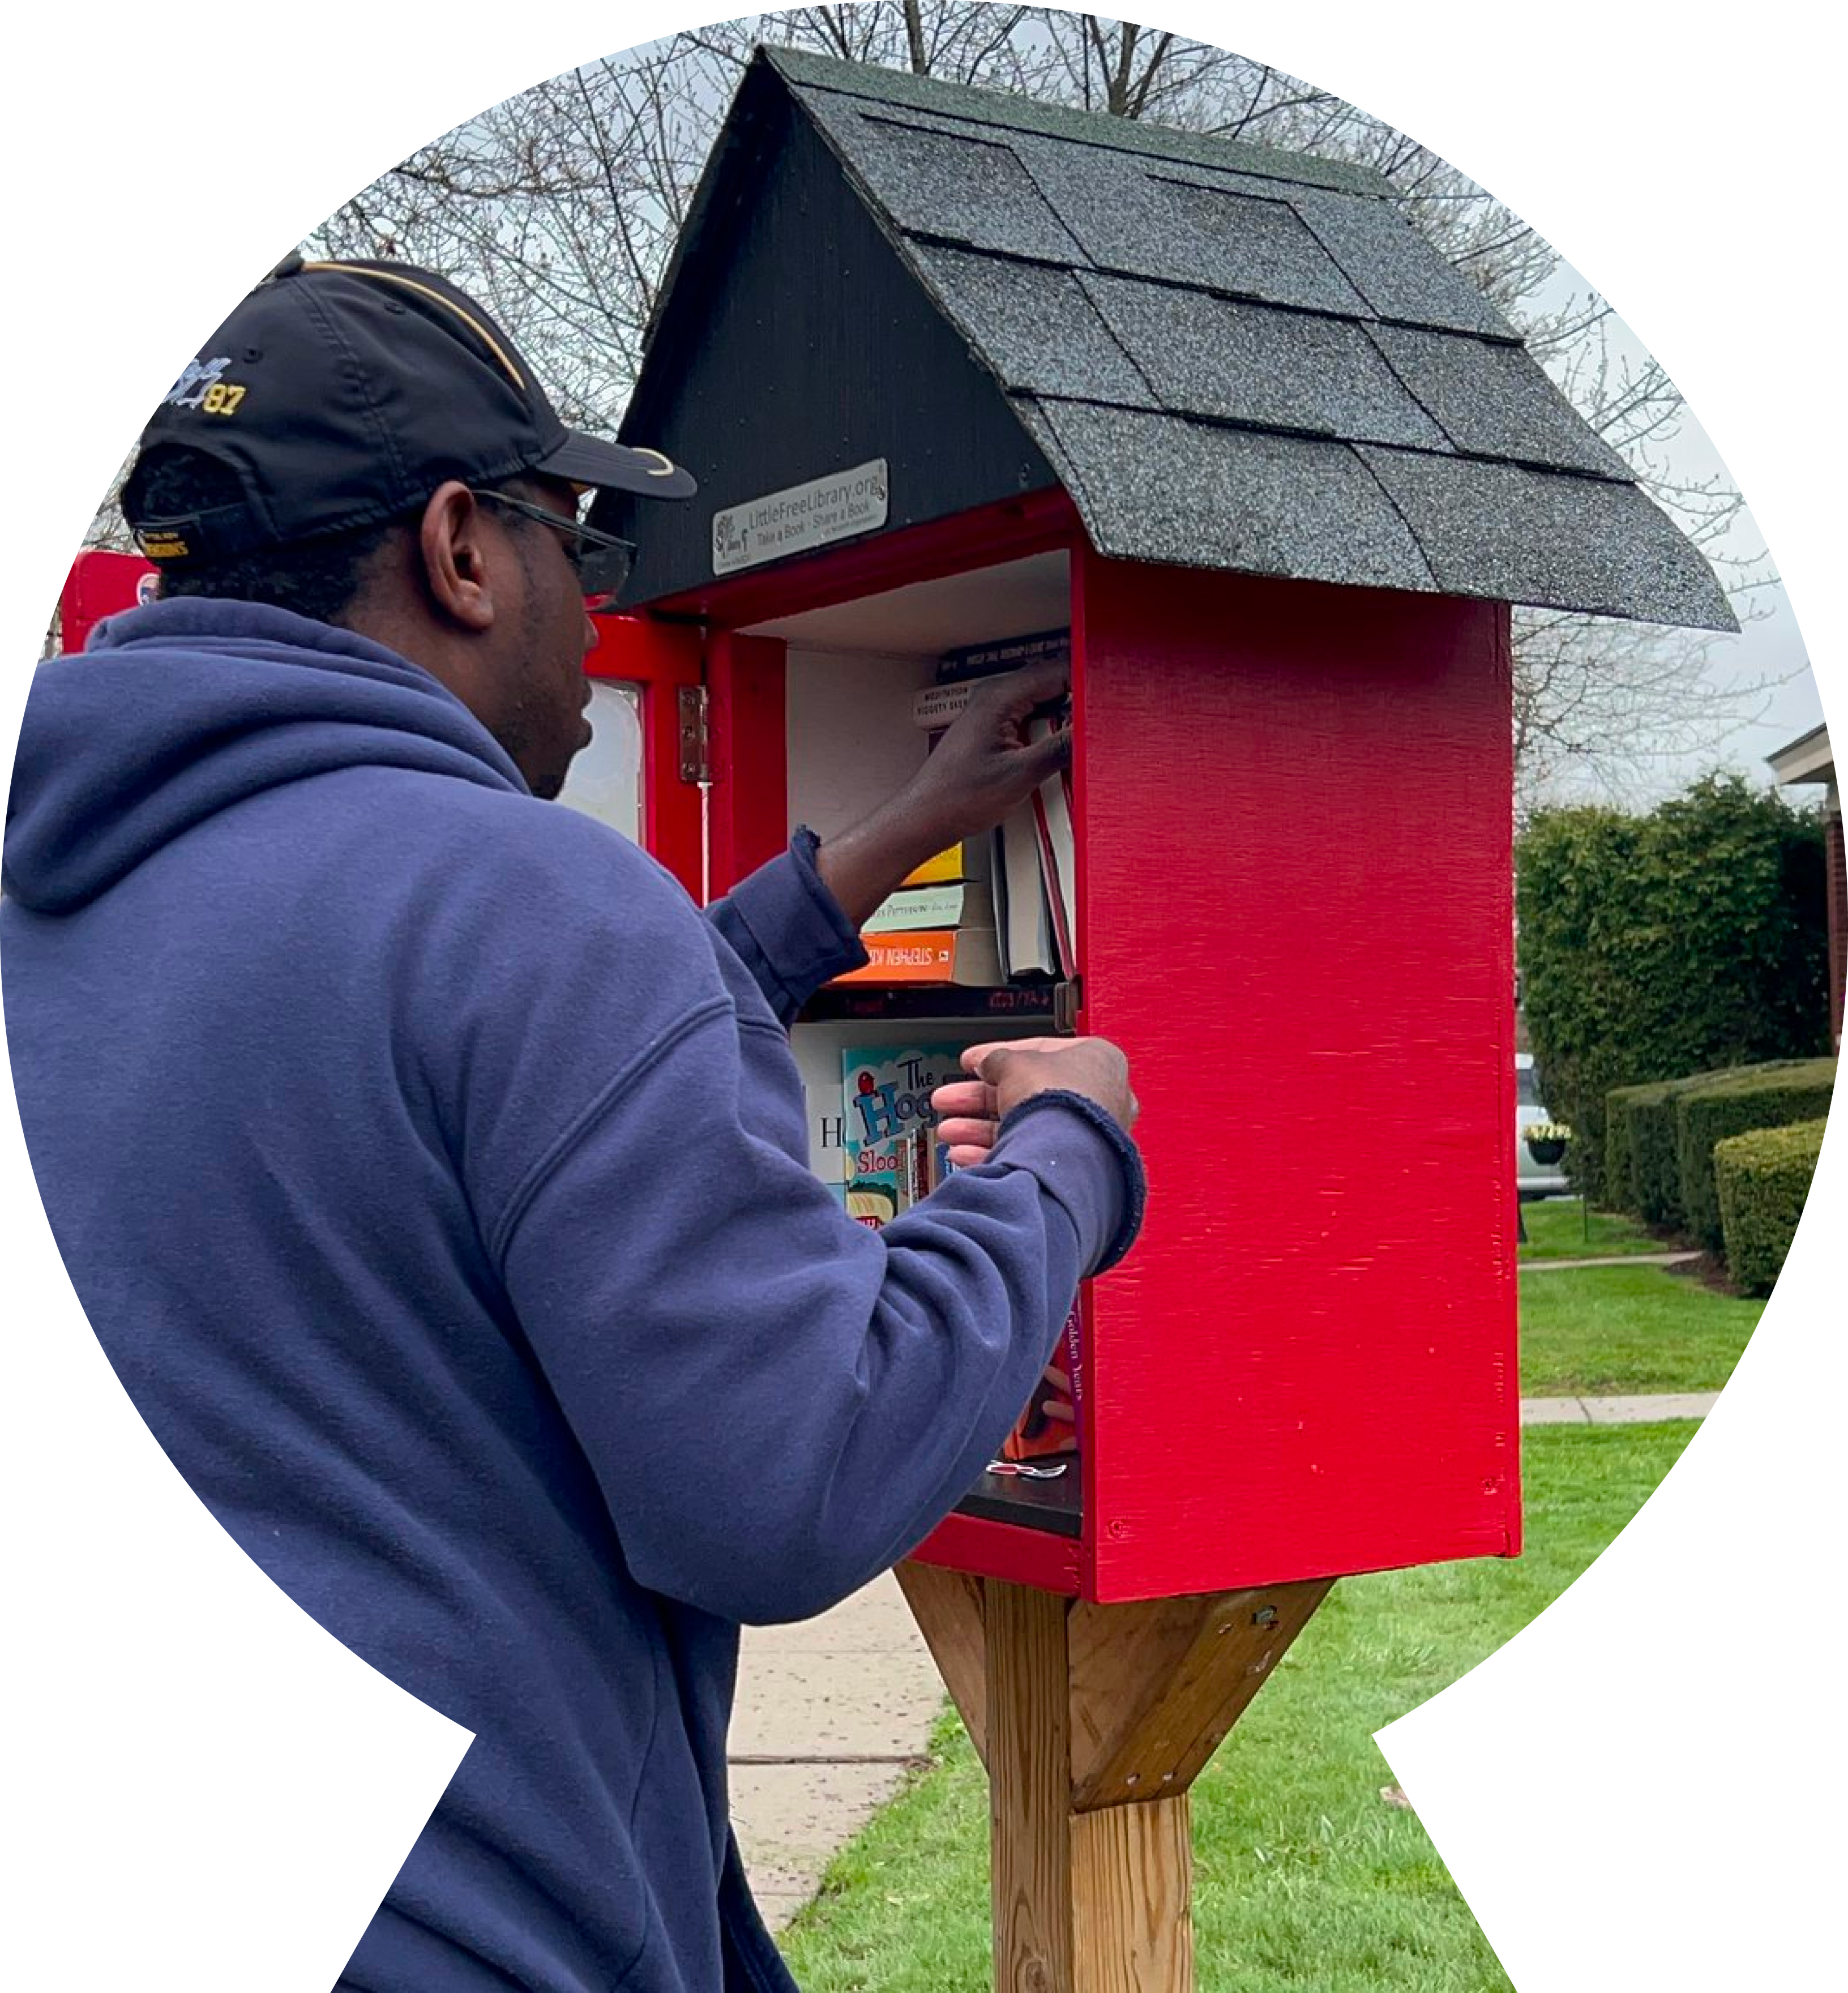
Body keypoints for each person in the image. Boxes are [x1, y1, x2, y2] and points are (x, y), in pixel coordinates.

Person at [2, 257, 1144, 1991]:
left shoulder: (73, 890)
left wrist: (919, 814)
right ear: (463, 548)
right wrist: (1069, 1156)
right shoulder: (531, 902)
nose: (593, 605)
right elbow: (797, 1481)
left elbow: (515, 1061)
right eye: (581, 545)